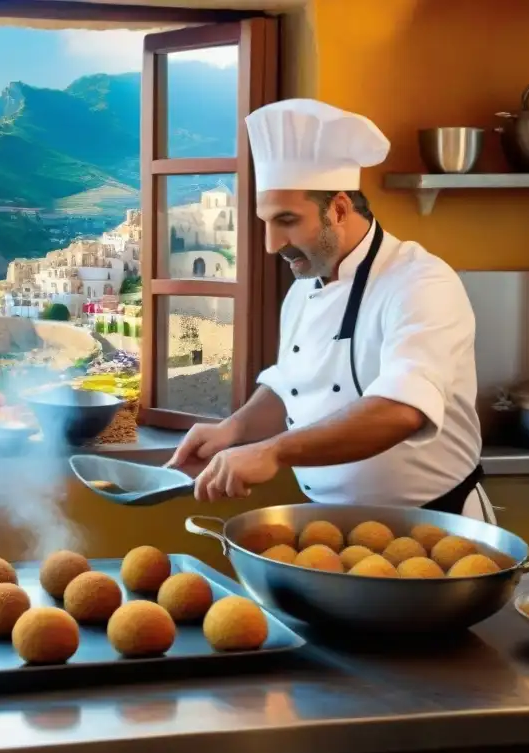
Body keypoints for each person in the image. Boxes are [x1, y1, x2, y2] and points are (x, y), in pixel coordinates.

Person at [167, 98, 493, 523]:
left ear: (338, 209)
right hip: (330, 530)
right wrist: (234, 430)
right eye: (266, 222)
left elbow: (401, 410)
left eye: (286, 220)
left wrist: (274, 451)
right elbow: (292, 384)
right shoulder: (304, 287)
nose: (271, 244)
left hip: (434, 528)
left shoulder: (422, 283)